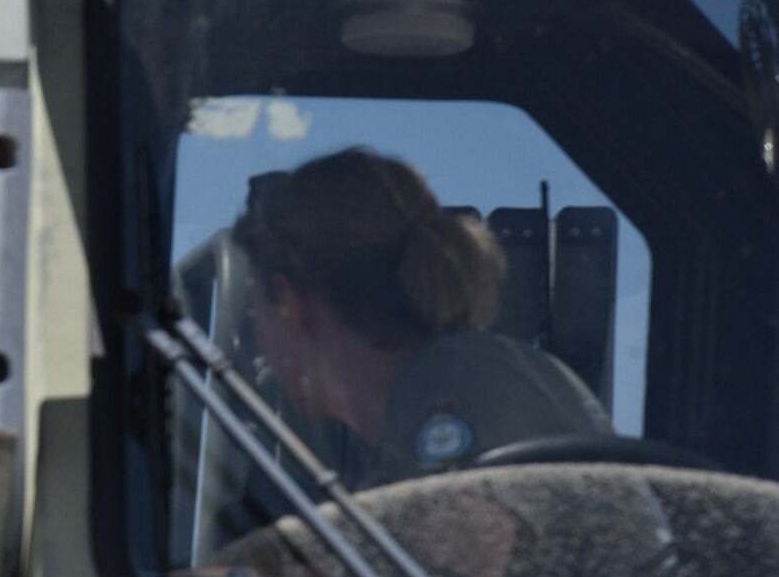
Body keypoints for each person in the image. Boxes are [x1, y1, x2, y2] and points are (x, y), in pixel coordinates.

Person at [233, 147, 610, 491]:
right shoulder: (463, 378)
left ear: (289, 304)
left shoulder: (449, 391)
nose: (260, 348)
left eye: (256, 314)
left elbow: (464, 559)